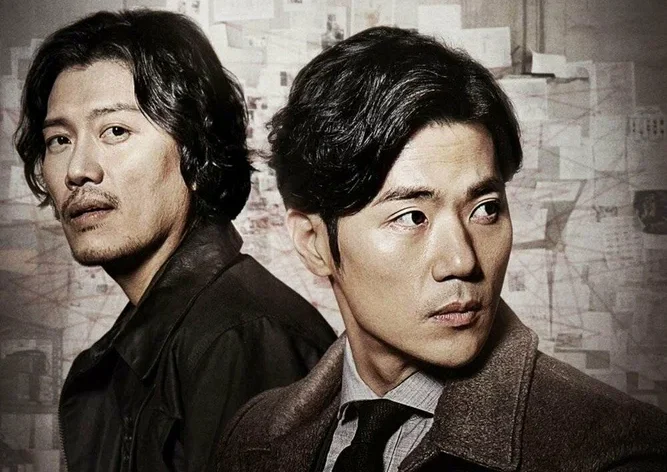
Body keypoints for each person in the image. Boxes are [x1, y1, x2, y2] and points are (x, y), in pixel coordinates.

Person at [217, 27, 667, 471]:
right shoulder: (251, 437)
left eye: (485, 209)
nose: (462, 261)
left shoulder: (617, 454)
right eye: (413, 216)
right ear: (314, 243)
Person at [14, 9, 336, 472]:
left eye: (116, 131)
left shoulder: (240, 337)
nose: (78, 170)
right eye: (58, 140)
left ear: (195, 153)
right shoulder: (127, 354)